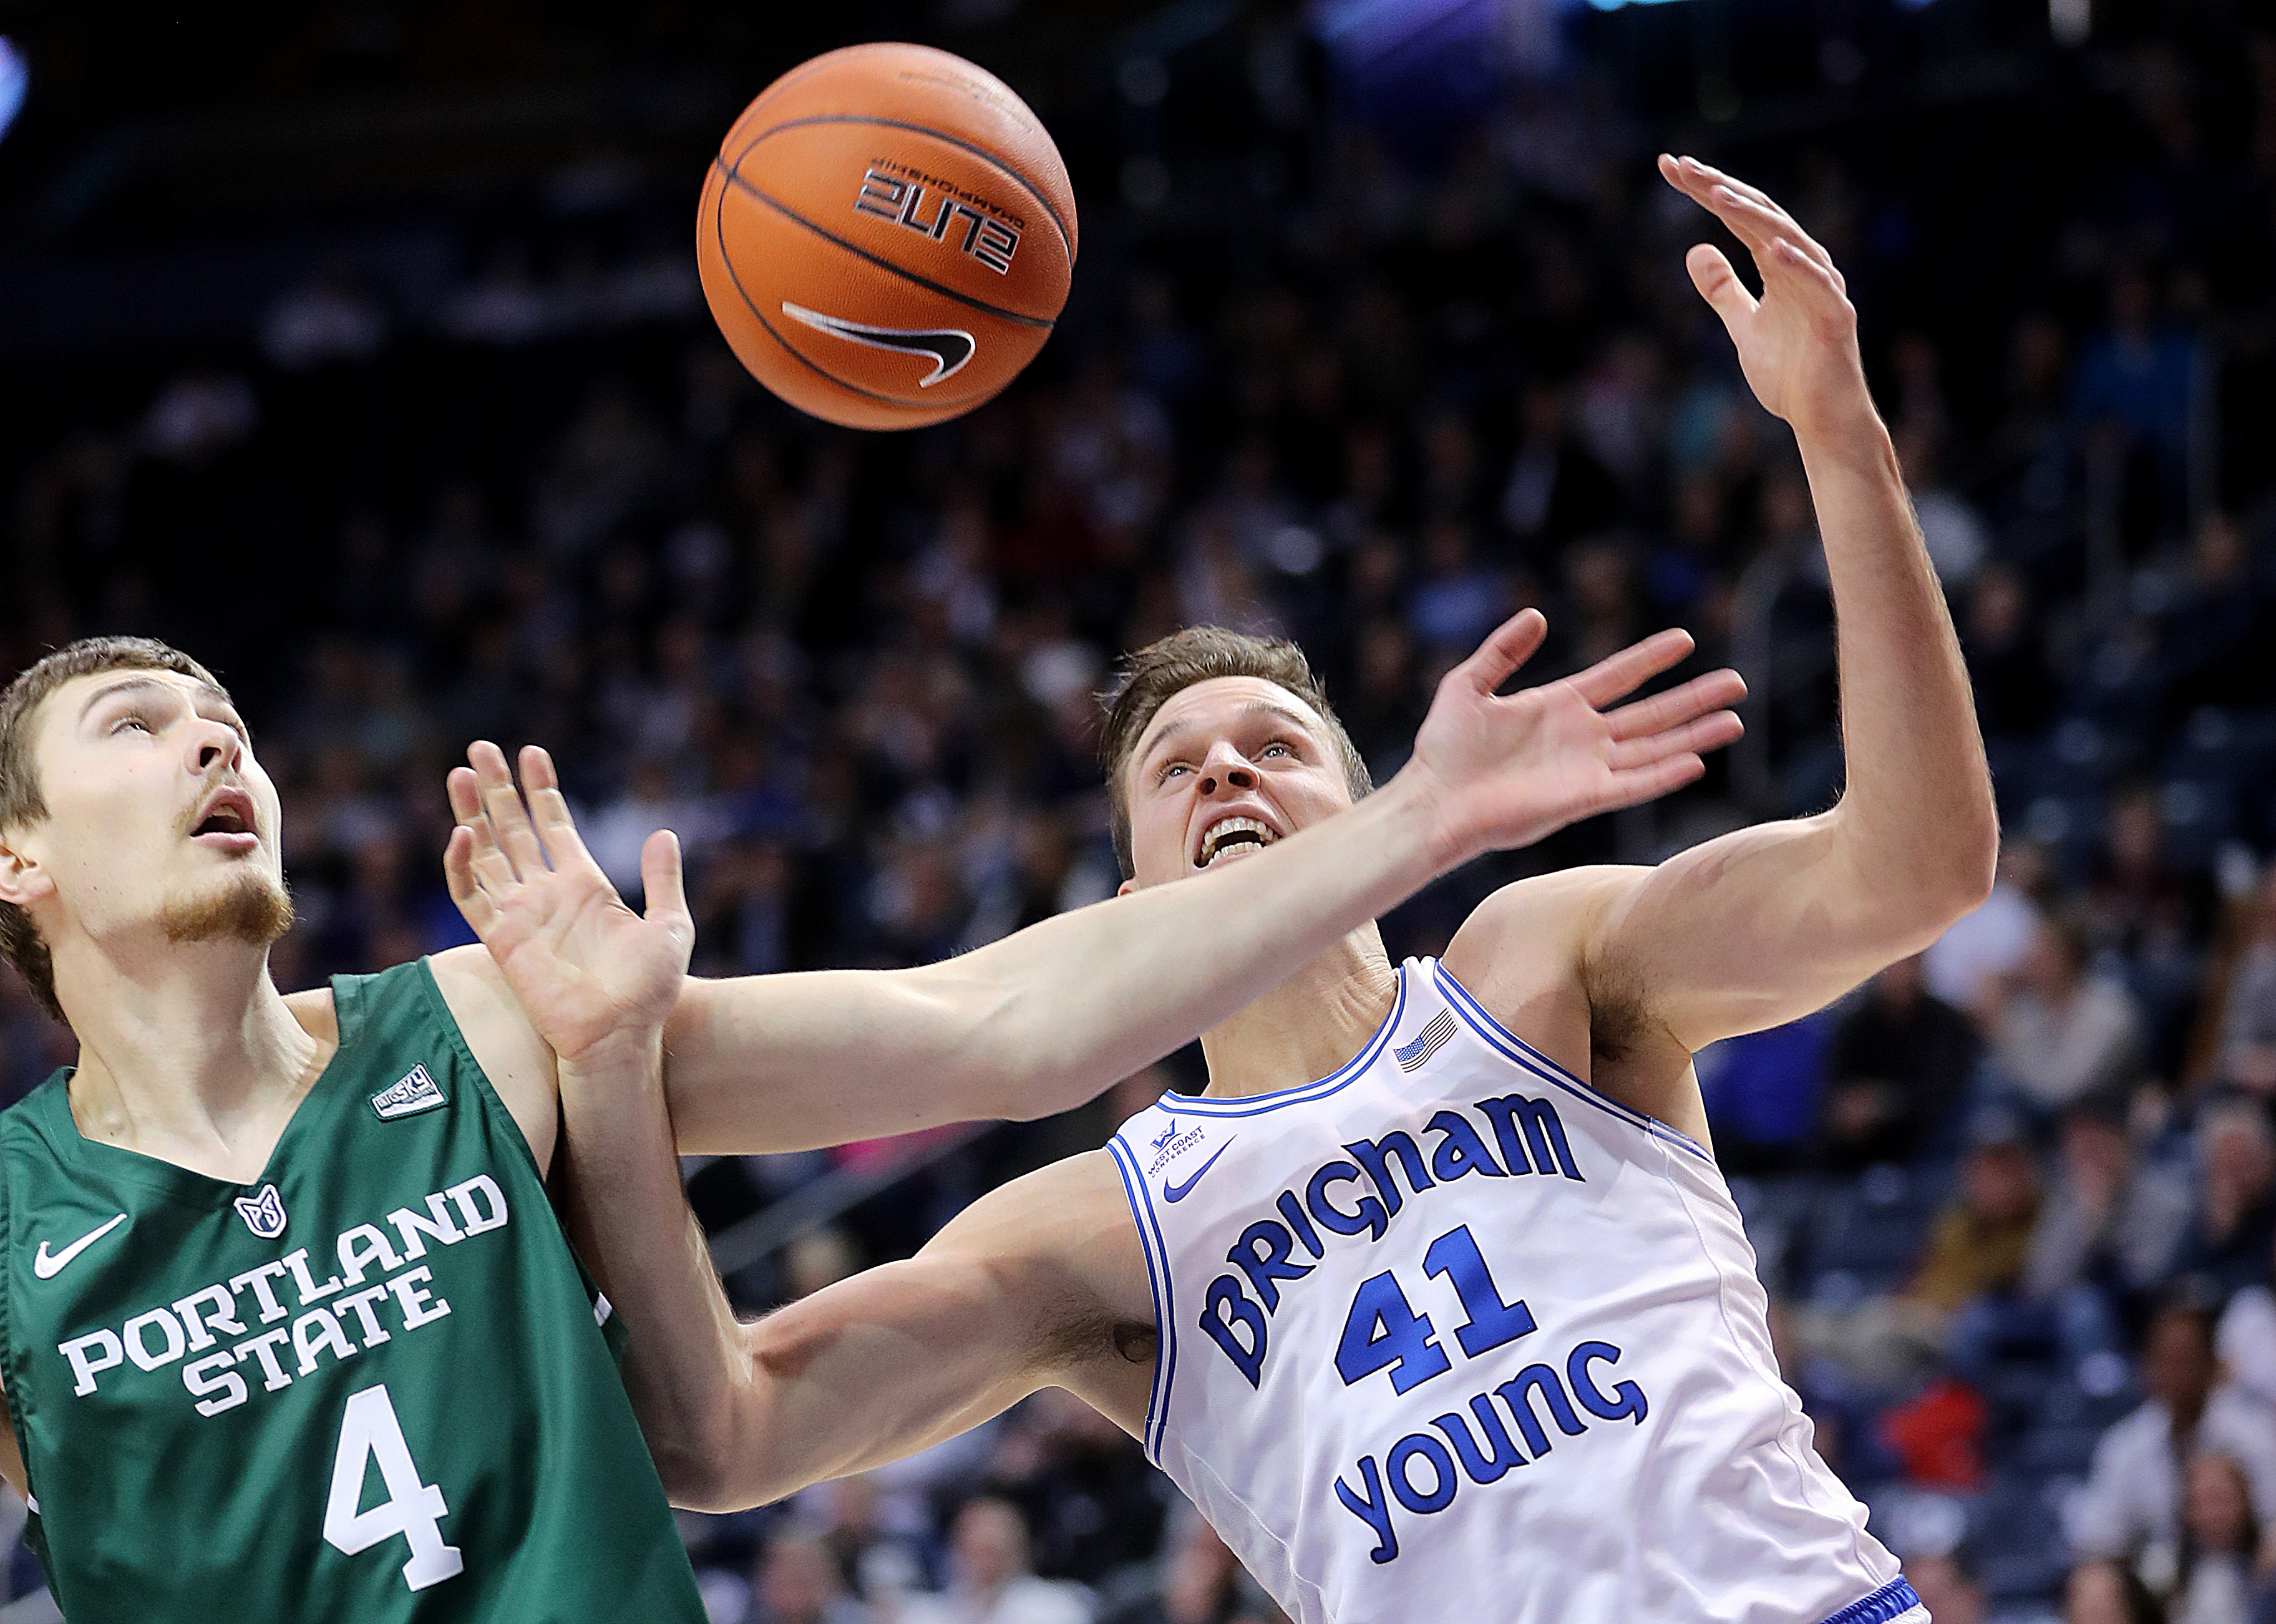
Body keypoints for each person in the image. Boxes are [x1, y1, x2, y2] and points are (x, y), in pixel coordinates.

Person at [534, 158, 2001, 1624]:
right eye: (1176, 768)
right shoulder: (1100, 1231)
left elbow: (1919, 866)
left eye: (1274, 746)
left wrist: (1840, 434)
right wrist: (607, 1072)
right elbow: (714, 1432)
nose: (1228, 775)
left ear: (1370, 810)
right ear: (1126, 901)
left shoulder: (1540, 969)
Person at [0, 594, 1741, 1620]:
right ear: (20, 854)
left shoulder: (468, 1024)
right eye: (142, 729)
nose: (219, 749)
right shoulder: (10, 1218)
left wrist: (1413, 822)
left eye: (231, 723)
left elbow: (1000, 1022)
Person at [2067, 1300, 2276, 1575]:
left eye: (2186, 1359)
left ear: (2213, 1364)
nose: (2175, 1373)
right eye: (2164, 1359)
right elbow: (2098, 1543)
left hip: (2247, 1584)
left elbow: (2273, 1522)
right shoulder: (2124, 1445)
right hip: (2156, 1595)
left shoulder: (2254, 1434)